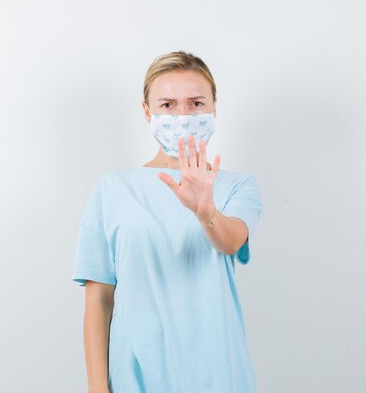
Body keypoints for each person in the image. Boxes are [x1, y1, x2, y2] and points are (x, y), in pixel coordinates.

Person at [71, 50, 264, 393]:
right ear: (147, 111)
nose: (183, 115)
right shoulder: (113, 189)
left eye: (195, 103)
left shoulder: (237, 186)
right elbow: (99, 297)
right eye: (168, 105)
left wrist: (206, 213)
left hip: (218, 375)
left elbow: (232, 241)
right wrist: (97, 387)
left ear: (214, 108)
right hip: (137, 377)